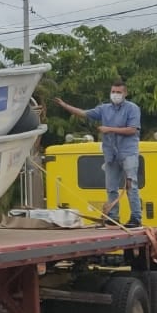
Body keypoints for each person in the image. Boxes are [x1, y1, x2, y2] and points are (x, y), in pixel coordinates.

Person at [56, 80, 143, 228]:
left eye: (119, 92)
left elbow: (133, 129)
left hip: (128, 152)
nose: (115, 95)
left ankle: (135, 218)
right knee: (111, 187)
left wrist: (109, 129)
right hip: (110, 153)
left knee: (131, 185)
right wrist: (65, 106)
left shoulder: (132, 108)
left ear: (125, 93)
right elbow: (84, 113)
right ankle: (113, 217)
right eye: (113, 92)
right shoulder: (104, 109)